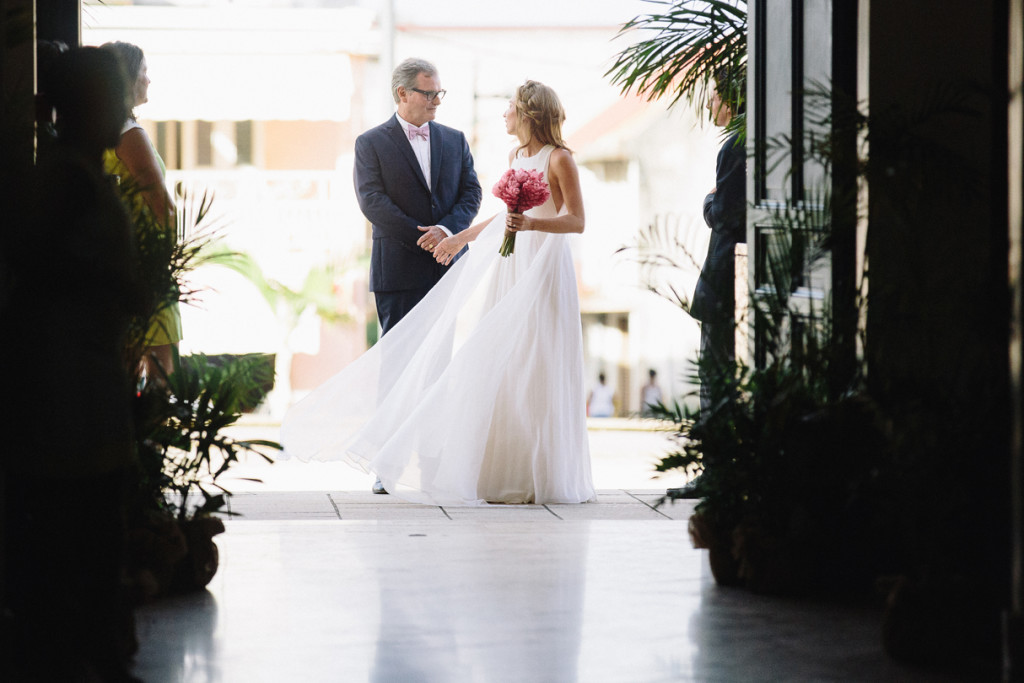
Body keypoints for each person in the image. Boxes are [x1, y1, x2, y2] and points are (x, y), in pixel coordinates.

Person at [283, 79, 595, 506]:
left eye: (510, 106)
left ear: (528, 113)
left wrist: (532, 227)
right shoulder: (516, 155)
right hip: (513, 264)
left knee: (540, 357)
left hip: (542, 265)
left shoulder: (560, 159)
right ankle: (512, 474)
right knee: (507, 363)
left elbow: (576, 221)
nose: (504, 112)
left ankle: (551, 475)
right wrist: (458, 238)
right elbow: (505, 218)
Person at [2, 46, 145, 681]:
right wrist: (115, 280)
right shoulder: (63, 179)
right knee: (79, 528)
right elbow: (33, 264)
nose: (121, 105)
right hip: (67, 382)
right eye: (109, 95)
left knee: (88, 522)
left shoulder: (77, 170)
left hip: (84, 374)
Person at [352, 57, 482, 493]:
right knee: (397, 368)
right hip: (398, 271)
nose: (436, 102)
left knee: (438, 368)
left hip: (447, 269)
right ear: (402, 94)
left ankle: (433, 462)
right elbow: (371, 201)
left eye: (439, 93)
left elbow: (472, 191)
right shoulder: (370, 143)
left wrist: (449, 232)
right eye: (429, 94)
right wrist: (420, 237)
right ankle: (386, 466)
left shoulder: (454, 139)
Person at [674, 67, 747, 499]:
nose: (709, 104)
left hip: (724, 279)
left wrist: (707, 203)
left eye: (715, 95)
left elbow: (725, 213)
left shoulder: (736, 146)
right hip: (729, 281)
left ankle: (717, 471)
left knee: (717, 378)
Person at [100, 40, 182, 382]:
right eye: (144, 72)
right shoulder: (129, 134)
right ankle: (155, 431)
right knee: (161, 367)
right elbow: (158, 197)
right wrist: (170, 252)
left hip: (120, 256)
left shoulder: (101, 133)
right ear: (128, 79)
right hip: (145, 259)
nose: (149, 80)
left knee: (127, 360)